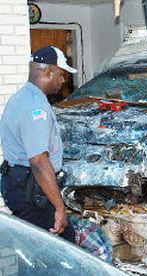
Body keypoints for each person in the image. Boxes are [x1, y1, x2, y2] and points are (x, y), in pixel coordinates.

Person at [0, 46, 77, 243]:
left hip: (19, 184)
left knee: (33, 247)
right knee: (60, 248)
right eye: (61, 74)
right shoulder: (36, 106)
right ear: (48, 71)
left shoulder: (21, 97)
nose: (62, 81)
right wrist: (60, 208)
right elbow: (39, 161)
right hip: (31, 190)